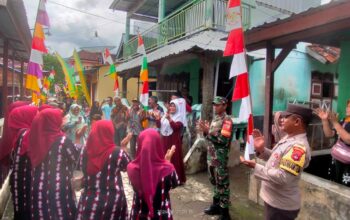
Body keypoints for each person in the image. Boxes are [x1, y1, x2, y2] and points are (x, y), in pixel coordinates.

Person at [241, 104, 313, 220]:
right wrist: (262, 150)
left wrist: (256, 166)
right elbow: (277, 158)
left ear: (297, 122)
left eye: (285, 117)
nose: (281, 120)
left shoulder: (299, 147)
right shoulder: (289, 138)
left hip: (280, 207)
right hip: (274, 200)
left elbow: (283, 177)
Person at [27, 108, 80, 220]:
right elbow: (76, 158)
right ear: (52, 121)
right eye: (59, 118)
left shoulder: (35, 138)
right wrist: (78, 140)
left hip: (38, 186)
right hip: (58, 187)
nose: (62, 120)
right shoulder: (62, 141)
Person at [76, 120, 131, 219]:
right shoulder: (118, 152)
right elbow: (129, 168)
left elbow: (80, 167)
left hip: (89, 200)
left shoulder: (85, 150)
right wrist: (124, 148)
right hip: (113, 201)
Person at [127, 129, 178, 220]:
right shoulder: (168, 169)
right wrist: (167, 163)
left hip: (139, 214)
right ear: (158, 145)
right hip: (162, 214)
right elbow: (175, 183)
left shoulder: (131, 168)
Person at [198, 96, 233, 220]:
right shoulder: (216, 118)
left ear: (225, 106)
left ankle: (224, 213)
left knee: (222, 184)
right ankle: (216, 206)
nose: (215, 107)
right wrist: (206, 131)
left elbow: (223, 140)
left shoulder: (227, 120)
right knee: (215, 182)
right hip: (211, 156)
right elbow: (210, 137)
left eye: (218, 105)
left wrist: (208, 131)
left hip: (220, 158)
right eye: (214, 104)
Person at [8, 105, 38, 219]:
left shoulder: (20, 132)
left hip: (21, 182)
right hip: (25, 182)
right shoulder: (26, 135)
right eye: (36, 115)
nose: (38, 118)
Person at [315, 100, 350, 186]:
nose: (347, 108)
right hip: (337, 160)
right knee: (334, 185)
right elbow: (329, 134)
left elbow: (348, 139)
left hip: (348, 166)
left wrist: (334, 122)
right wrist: (325, 120)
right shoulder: (344, 121)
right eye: (348, 106)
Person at [157, 99, 186, 184]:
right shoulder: (166, 114)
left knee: (174, 158)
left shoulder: (179, 116)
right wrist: (158, 119)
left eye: (174, 106)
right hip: (165, 139)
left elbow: (176, 127)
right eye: (171, 106)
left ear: (177, 107)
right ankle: (165, 177)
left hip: (173, 140)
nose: (172, 107)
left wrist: (170, 119)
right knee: (164, 157)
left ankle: (176, 179)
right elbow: (159, 126)